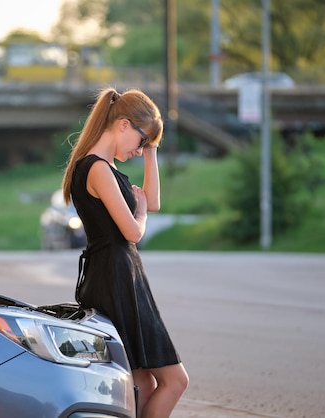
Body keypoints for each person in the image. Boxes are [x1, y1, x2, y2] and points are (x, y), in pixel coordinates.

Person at [61, 87, 189, 417]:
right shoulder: (96, 169)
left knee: (144, 383)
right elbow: (133, 231)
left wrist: (151, 148)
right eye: (141, 141)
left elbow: (154, 200)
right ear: (123, 124)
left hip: (121, 275)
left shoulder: (102, 167)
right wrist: (141, 213)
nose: (139, 150)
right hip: (115, 277)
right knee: (173, 381)